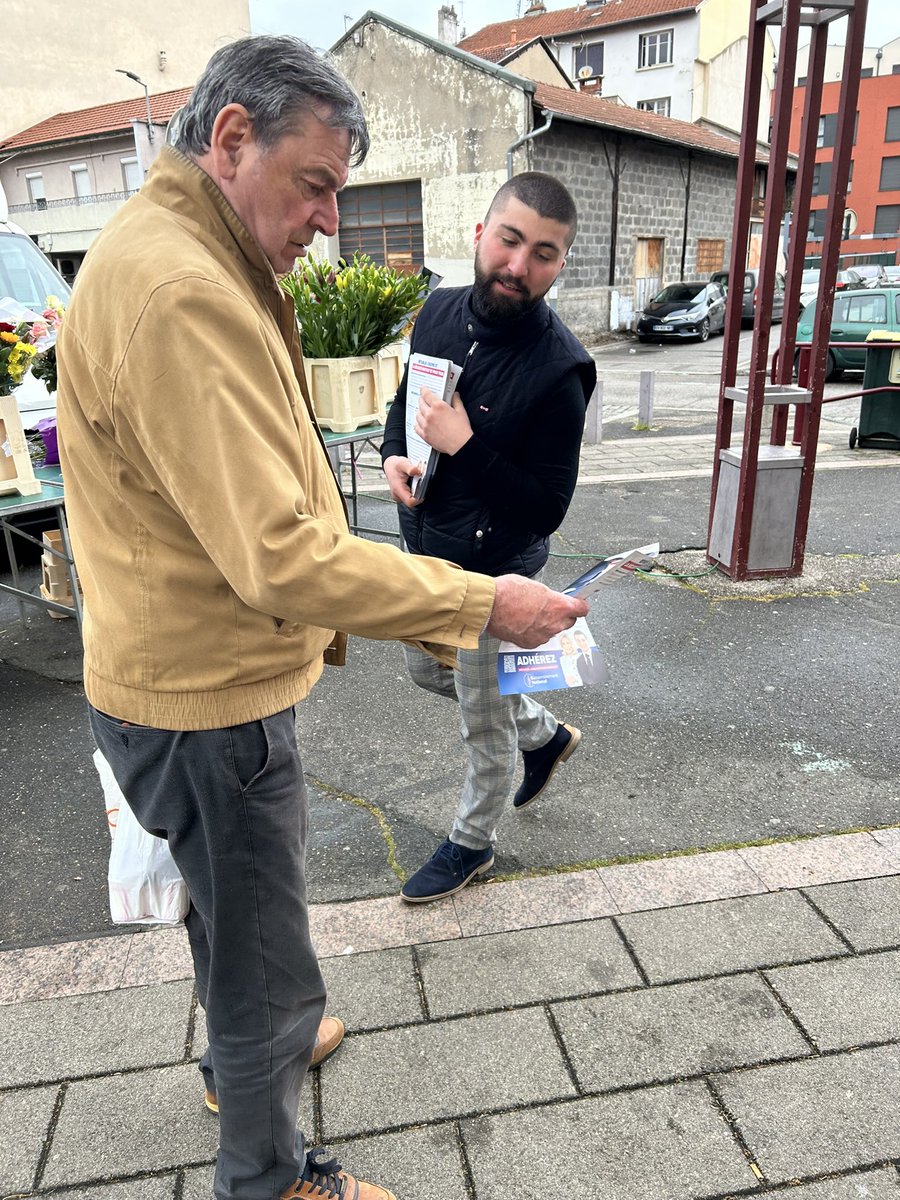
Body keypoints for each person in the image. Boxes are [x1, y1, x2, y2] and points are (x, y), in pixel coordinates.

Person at [55, 38, 588, 1200]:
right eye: (317, 185)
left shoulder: (169, 246)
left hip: (168, 667)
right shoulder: (184, 287)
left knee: (227, 924)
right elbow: (280, 557)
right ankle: (271, 1176)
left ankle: (239, 1060)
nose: (330, 222)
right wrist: (484, 605)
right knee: (269, 969)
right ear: (233, 137)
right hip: (210, 699)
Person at [381, 172, 597, 905]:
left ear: (559, 264)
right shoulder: (437, 312)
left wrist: (467, 447)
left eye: (543, 252)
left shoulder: (560, 369)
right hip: (429, 546)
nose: (518, 265)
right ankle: (543, 734)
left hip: (493, 574)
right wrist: (393, 452)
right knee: (421, 673)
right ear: (481, 233)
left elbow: (547, 508)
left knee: (480, 719)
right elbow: (407, 399)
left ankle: (472, 844)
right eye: (510, 240)